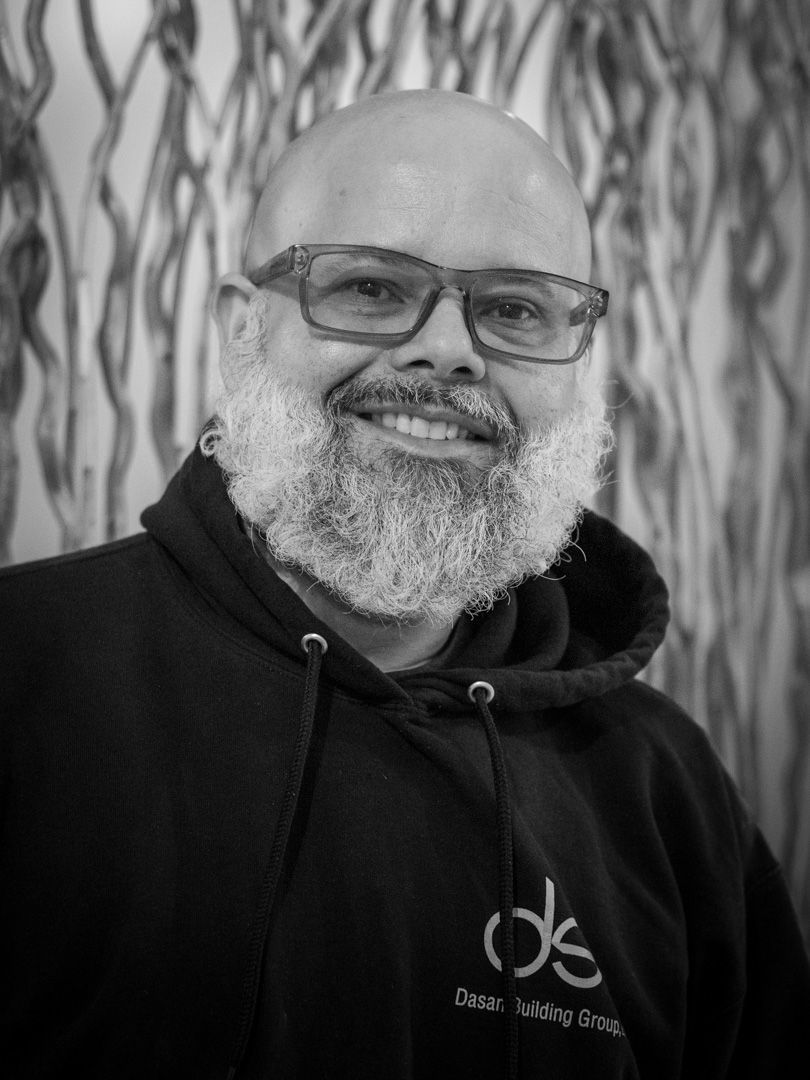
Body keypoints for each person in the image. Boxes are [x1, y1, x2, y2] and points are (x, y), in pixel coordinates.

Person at [1, 89, 808, 1080]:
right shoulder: (25, 675)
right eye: (373, 289)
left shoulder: (664, 788)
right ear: (240, 328)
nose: (450, 351)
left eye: (513, 308)